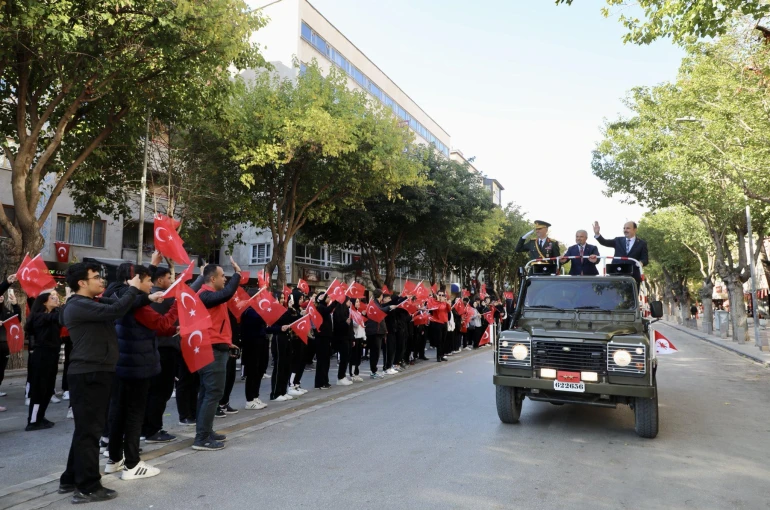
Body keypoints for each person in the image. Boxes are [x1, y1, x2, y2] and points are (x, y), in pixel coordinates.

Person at [58, 262, 146, 503]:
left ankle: (69, 478)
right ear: (82, 283)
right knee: (91, 432)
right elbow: (117, 309)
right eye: (96, 277)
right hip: (90, 374)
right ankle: (87, 487)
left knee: (85, 430)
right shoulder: (78, 305)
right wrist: (133, 288)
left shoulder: (91, 302)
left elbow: (122, 305)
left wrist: (145, 295)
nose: (102, 281)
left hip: (96, 372)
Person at [106, 264, 177, 480]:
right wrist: (177, 306)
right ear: (135, 281)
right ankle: (132, 464)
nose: (151, 285)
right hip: (137, 366)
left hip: (123, 364)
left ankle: (114, 459)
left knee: (118, 412)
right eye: (148, 281)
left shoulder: (121, 299)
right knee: (135, 414)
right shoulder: (138, 306)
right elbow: (162, 325)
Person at [188, 259, 241, 451]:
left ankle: (205, 431)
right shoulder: (205, 294)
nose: (225, 279)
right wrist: (238, 274)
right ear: (212, 278)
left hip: (216, 346)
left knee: (207, 392)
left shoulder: (210, 295)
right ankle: (202, 438)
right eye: (222, 275)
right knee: (213, 393)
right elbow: (227, 294)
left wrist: (227, 342)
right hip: (211, 350)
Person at [141, 266, 179, 443]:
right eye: (168, 278)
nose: (171, 281)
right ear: (159, 280)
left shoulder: (147, 299)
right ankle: (152, 430)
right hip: (163, 350)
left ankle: (148, 428)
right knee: (160, 392)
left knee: (154, 392)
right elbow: (160, 325)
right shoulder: (162, 297)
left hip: (157, 348)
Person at [25, 291, 62, 431]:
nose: (56, 298)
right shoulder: (39, 317)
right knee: (39, 389)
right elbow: (57, 317)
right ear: (44, 302)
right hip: (41, 355)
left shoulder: (52, 316)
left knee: (48, 389)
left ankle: (40, 416)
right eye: (52, 297)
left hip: (52, 355)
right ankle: (33, 421)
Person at [241, 304, 269, 410]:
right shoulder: (249, 311)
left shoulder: (257, 310)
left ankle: (255, 396)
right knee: (252, 371)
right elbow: (259, 318)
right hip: (252, 344)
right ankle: (249, 400)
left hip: (261, 341)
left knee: (260, 370)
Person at [0, 275, 19, 408]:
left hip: (3, 346)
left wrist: (15, 304)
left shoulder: (4, 311)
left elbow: (17, 319)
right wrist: (6, 282)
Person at [313, 292, 339, 389]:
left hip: (326, 337)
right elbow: (328, 310)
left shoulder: (324, 307)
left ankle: (324, 381)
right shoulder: (321, 307)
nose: (329, 298)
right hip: (321, 338)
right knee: (322, 361)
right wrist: (336, 301)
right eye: (327, 297)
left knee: (326, 360)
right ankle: (321, 382)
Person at [364, 290, 389, 379]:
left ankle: (373, 370)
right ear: (381, 296)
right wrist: (389, 307)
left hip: (377, 331)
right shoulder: (374, 304)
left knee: (376, 352)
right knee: (375, 352)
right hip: (375, 331)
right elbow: (380, 313)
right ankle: (373, 371)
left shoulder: (376, 304)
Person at [332, 296, 353, 386]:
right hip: (341, 338)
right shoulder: (337, 312)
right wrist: (346, 322)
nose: (350, 303)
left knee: (347, 357)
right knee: (343, 357)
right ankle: (340, 377)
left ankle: (343, 375)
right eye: (348, 301)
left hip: (347, 337)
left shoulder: (347, 311)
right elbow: (337, 327)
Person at [429, 291, 450, 362]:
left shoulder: (444, 303)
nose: (441, 296)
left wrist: (446, 302)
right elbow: (434, 309)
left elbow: (449, 310)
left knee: (444, 340)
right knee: (439, 340)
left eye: (442, 295)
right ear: (437, 295)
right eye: (440, 295)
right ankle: (438, 356)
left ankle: (442, 355)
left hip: (444, 322)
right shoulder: (434, 302)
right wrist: (438, 301)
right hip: (438, 323)